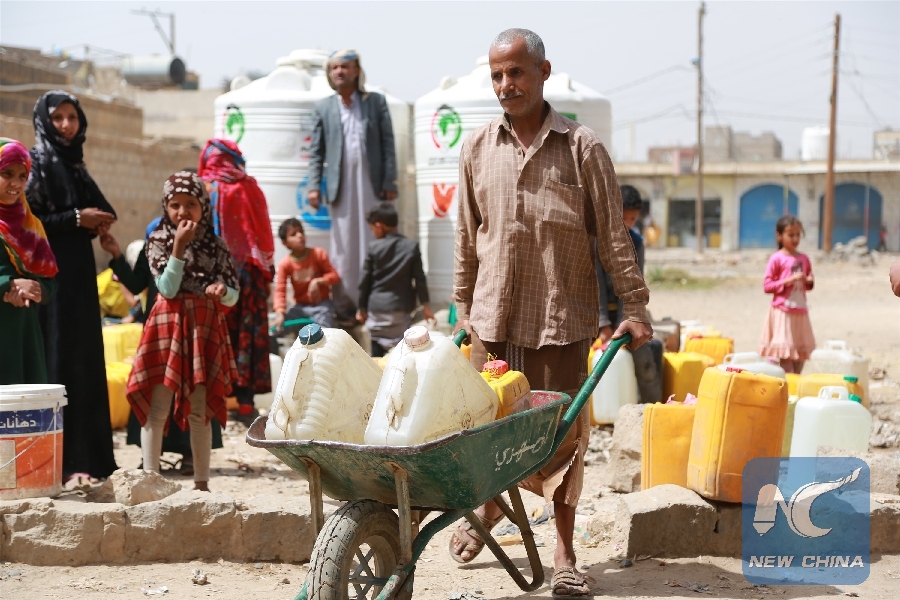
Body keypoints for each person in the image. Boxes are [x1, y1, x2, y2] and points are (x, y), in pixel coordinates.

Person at [450, 29, 652, 597]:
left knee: (561, 438)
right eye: (497, 75)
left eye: (516, 72)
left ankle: (564, 550)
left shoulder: (583, 146)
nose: (505, 84)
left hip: (560, 318)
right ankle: (492, 506)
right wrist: (463, 306)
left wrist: (635, 305)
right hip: (491, 319)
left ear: (543, 71)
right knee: (487, 428)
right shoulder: (476, 147)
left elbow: (613, 237)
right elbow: (466, 237)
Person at [26, 91, 118, 483]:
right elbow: (29, 220)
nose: (66, 125)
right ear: (44, 122)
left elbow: (103, 207)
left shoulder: (74, 164)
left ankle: (88, 458)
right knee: (59, 356)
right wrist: (77, 218)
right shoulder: (36, 165)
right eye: (58, 118)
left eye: (72, 117)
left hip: (79, 278)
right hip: (52, 278)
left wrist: (95, 220)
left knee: (84, 360)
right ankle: (56, 462)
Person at [126, 172, 239, 492]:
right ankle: (151, 481)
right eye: (175, 205)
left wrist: (222, 291)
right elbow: (167, 288)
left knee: (199, 410)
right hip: (168, 325)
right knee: (157, 406)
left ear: (204, 206)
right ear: (165, 206)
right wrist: (179, 246)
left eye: (191, 204)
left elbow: (233, 292)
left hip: (203, 326)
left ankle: (201, 485)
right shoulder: (159, 240)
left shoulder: (216, 245)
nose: (183, 211)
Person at [308, 49, 397, 310]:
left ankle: (374, 301)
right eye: (334, 67)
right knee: (344, 243)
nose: (339, 72)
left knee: (374, 238)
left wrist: (389, 181)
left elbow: (388, 143)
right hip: (340, 185)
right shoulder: (324, 107)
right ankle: (346, 305)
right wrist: (314, 186)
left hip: (372, 183)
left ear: (356, 71)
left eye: (344, 67)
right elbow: (316, 151)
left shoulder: (375, 102)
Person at [198, 139, 275, 421]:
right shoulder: (249, 186)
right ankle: (245, 405)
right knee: (247, 338)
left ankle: (212, 404)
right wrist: (268, 269)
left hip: (211, 277)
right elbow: (263, 231)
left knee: (216, 336)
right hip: (248, 275)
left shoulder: (203, 188)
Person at [595, 184, 663, 404]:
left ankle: (653, 411)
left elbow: (635, 284)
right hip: (595, 316)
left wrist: (624, 322)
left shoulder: (637, 243)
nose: (627, 224)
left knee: (646, 364)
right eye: (622, 218)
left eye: (632, 219)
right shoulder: (597, 240)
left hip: (626, 316)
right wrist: (603, 324)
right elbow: (596, 283)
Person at [0, 138, 58, 385]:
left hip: (23, 336)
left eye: (22, 176)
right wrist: (9, 285)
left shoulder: (31, 225)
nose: (16, 183)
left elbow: (49, 281)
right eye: (7, 173)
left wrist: (36, 289)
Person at [356, 202, 434, 356]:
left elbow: (364, 281)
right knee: (401, 353)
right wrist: (426, 307)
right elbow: (420, 279)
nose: (373, 232)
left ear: (379, 225)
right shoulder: (411, 246)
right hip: (401, 310)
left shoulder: (374, 248)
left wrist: (361, 308)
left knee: (377, 355)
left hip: (377, 310)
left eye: (372, 229)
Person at [759, 215, 815, 374]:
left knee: (800, 357)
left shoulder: (804, 258)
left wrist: (809, 280)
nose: (795, 239)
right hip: (783, 312)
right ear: (779, 236)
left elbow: (808, 284)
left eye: (798, 234)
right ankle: (787, 385)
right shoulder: (776, 258)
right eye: (791, 235)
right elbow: (767, 286)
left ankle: (794, 385)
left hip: (800, 311)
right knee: (786, 357)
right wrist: (788, 280)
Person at [273, 217, 340, 330]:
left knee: (324, 331)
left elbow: (334, 276)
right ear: (285, 243)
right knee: (277, 329)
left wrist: (318, 281)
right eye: (293, 234)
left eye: (301, 232)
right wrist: (280, 313)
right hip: (300, 308)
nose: (300, 236)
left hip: (321, 306)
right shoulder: (285, 263)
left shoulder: (318, 254)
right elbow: (280, 290)